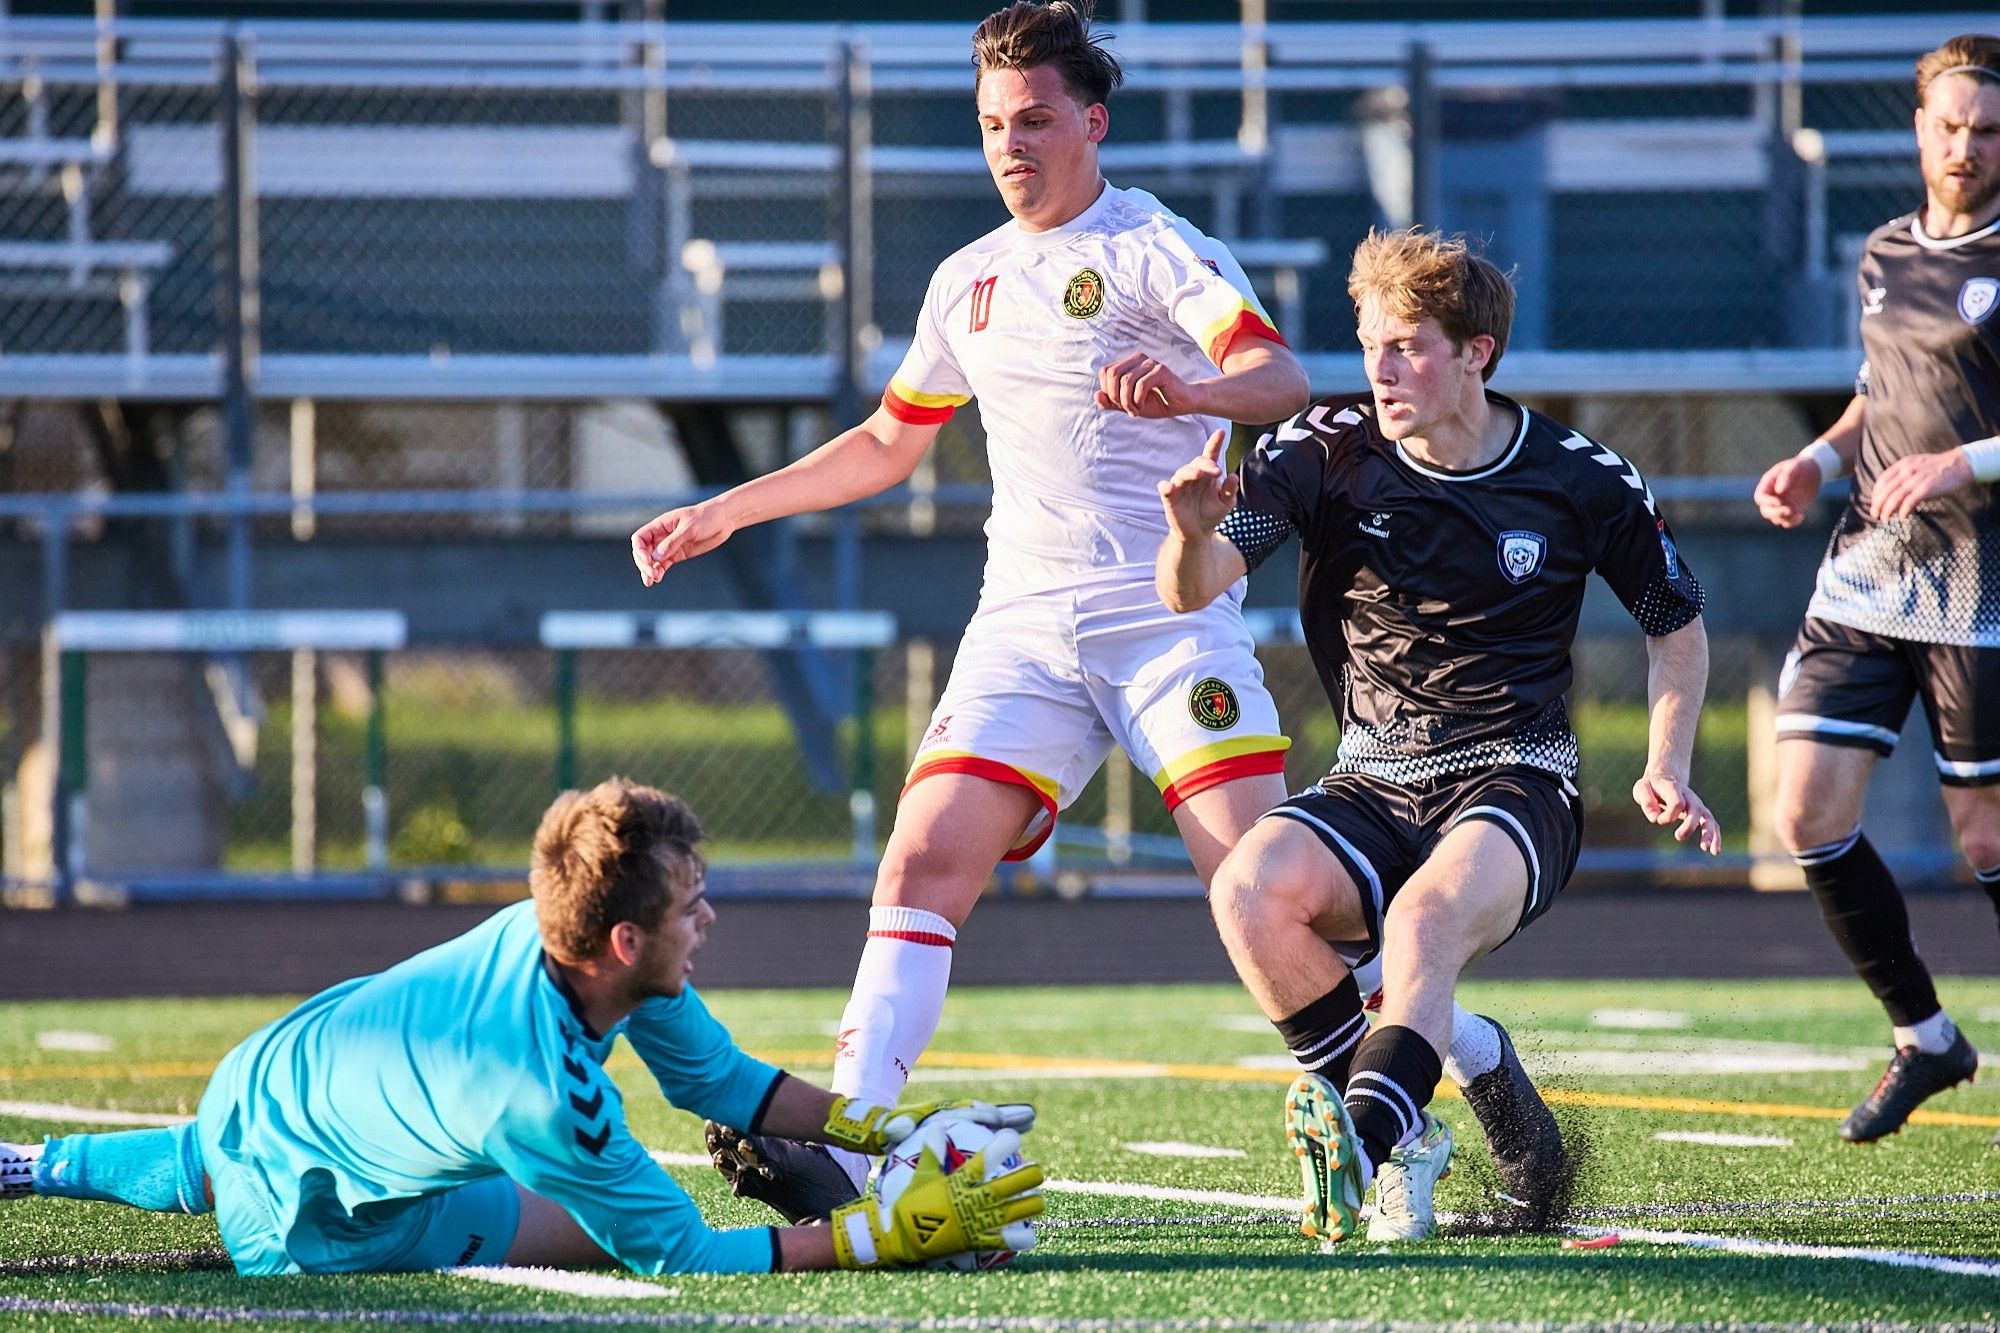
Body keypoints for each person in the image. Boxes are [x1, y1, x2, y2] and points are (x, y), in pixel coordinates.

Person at [630, 0, 1311, 1219]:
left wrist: (1187, 386)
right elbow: (892, 439)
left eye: (1035, 119)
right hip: (1023, 624)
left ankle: (1425, 1075)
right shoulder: (968, 278)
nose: (1010, 144)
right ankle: (841, 1143)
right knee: (925, 853)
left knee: (1265, 895)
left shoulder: (1159, 248)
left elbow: (1277, 381)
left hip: (1169, 617)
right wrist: (727, 508)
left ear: (1091, 123)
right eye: (993, 123)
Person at [1157, 228, 1720, 1243]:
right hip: (1369, 777)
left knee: (1419, 928)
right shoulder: (1322, 446)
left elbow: (1673, 627)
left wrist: (1664, 762)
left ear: (1476, 352)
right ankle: (1415, 1124)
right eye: (1370, 342)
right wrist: (1191, 530)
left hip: (1515, 779)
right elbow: (1192, 587)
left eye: (1407, 345)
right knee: (1245, 891)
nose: (1379, 369)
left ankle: (1363, 1145)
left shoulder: (1575, 475)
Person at [0, 779, 1043, 1276]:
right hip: (312, 1229)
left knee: (217, 1151)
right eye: (692, 906)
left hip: (260, 1077)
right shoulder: (547, 1097)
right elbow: (679, 1256)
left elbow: (719, 1079)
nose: (710, 917)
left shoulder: (555, 928)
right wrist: (875, 1236)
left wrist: (884, 1130)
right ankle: (235, 1237)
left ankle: (33, 1165)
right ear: (628, 941)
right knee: (603, 1231)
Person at [1751, 34, 2000, 1146]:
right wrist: (1816, 457)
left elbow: (1954, 434)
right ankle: (1923, 1037)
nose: (1965, 146)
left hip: (1979, 577)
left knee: (1982, 839)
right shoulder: (1883, 249)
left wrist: (1964, 462)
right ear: (1916, 128)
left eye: (1986, 130)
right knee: (1801, 807)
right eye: (1948, 126)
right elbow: (1872, 393)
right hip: (1868, 568)